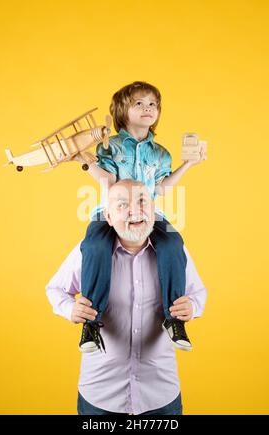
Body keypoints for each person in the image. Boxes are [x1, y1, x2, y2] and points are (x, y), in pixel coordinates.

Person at [46, 180, 207, 415]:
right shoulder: (89, 252)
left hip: (159, 391)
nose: (134, 211)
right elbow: (55, 289)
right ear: (108, 217)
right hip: (101, 392)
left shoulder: (175, 252)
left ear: (154, 208)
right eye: (122, 205)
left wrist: (192, 306)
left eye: (142, 201)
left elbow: (198, 293)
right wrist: (70, 309)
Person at [73, 81, 206, 353]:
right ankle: (92, 322)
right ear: (123, 110)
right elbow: (109, 182)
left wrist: (188, 165)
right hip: (113, 212)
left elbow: (161, 188)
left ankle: (174, 320)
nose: (148, 108)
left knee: (172, 244)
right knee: (95, 247)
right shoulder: (110, 146)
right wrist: (84, 162)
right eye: (139, 103)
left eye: (153, 104)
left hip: (148, 213)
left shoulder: (161, 153)